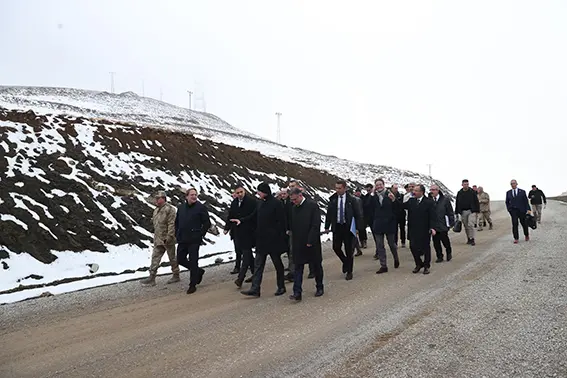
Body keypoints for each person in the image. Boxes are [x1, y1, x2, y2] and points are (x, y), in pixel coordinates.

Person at [241, 183, 287, 297]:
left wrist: (281, 237)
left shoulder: (276, 203)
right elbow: (253, 216)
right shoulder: (260, 203)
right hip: (261, 240)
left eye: (259, 191)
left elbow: (283, 222)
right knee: (258, 265)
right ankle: (255, 289)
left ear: (265, 191)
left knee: (277, 264)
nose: (258, 193)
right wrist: (241, 220)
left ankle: (281, 286)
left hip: (273, 241)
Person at [288, 188, 324, 300]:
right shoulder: (294, 208)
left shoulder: (312, 205)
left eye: (294, 199)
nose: (293, 202)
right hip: (298, 242)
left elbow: (315, 224)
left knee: (316, 265)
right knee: (298, 266)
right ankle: (297, 292)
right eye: (292, 200)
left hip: (311, 242)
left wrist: (310, 240)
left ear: (300, 195)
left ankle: (319, 287)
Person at [324, 179, 363, 280]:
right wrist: (327, 226)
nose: (337, 190)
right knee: (336, 247)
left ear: (345, 188)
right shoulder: (333, 199)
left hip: (348, 227)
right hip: (337, 226)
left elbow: (358, 214)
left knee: (349, 249)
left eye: (339, 188)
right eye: (336, 188)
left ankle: (349, 271)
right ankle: (345, 261)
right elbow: (329, 213)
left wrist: (358, 228)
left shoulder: (352, 200)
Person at [175, 188, 211, 294]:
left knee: (194, 260)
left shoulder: (201, 207)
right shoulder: (181, 208)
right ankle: (199, 272)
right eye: (192, 195)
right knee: (180, 259)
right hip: (182, 238)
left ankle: (192, 284)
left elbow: (207, 223)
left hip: (194, 239)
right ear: (186, 196)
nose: (194, 196)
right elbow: (177, 222)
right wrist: (177, 233)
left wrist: (200, 234)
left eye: (195, 195)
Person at [141, 191, 180, 286]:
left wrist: (170, 236)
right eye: (156, 198)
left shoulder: (170, 209)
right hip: (158, 238)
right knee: (155, 257)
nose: (156, 200)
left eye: (158, 198)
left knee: (172, 258)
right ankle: (152, 277)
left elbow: (172, 224)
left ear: (163, 198)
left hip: (167, 238)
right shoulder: (156, 210)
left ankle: (176, 274)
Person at [224, 185, 257, 288]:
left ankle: (240, 278)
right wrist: (227, 227)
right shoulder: (234, 203)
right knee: (247, 254)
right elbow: (231, 216)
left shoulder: (252, 202)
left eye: (241, 192)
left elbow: (254, 216)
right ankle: (255, 274)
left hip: (249, 231)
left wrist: (243, 221)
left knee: (246, 254)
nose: (239, 194)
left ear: (244, 191)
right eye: (237, 193)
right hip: (238, 232)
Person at [403, 184, 436, 274]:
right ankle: (418, 263)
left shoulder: (429, 202)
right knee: (412, 247)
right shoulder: (411, 201)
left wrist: (432, 227)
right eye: (414, 190)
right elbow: (401, 206)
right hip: (413, 228)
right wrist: (393, 200)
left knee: (425, 248)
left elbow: (433, 216)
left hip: (425, 229)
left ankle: (426, 266)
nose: (414, 192)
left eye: (416, 190)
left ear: (422, 192)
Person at [371, 179, 400, 273]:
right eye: (377, 185)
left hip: (389, 223)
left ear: (384, 185)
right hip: (378, 224)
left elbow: (397, 208)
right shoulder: (373, 197)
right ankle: (383, 266)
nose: (379, 186)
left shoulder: (390, 194)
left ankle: (396, 258)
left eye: (380, 184)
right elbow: (367, 206)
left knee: (391, 244)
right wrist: (371, 194)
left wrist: (394, 200)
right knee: (380, 245)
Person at [430, 185, 455, 262]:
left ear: (438, 190)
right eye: (431, 190)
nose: (432, 191)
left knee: (445, 240)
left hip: (443, 223)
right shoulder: (429, 200)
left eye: (434, 190)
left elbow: (450, 212)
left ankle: (448, 252)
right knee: (436, 242)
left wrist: (451, 222)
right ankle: (439, 256)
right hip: (433, 225)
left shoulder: (445, 200)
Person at [455, 179, 480, 246]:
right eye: (464, 184)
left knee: (470, 224)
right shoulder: (459, 193)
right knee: (466, 226)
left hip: (471, 211)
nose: (466, 186)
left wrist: (477, 210)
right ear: (462, 185)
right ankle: (468, 238)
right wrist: (457, 212)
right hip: (463, 211)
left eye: (467, 184)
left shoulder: (472, 192)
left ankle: (472, 239)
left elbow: (476, 201)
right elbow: (457, 202)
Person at [505, 179, 531, 244]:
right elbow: (507, 202)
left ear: (516, 184)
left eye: (514, 183)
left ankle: (526, 235)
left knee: (524, 223)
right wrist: (509, 209)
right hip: (513, 211)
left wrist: (528, 209)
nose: (513, 185)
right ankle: (516, 238)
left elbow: (525, 201)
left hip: (522, 210)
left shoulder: (522, 191)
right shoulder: (508, 192)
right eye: (511, 184)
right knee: (514, 223)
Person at [280, 189, 295, 281]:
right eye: (281, 194)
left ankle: (293, 272)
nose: (283, 195)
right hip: (285, 230)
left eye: (284, 194)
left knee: (292, 251)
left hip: (293, 230)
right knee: (289, 250)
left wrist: (289, 228)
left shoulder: (291, 203)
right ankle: (291, 269)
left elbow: (291, 217)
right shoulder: (281, 203)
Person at [361, 183, 375, 248]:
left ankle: (379, 251)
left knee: (377, 236)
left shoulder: (375, 196)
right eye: (367, 190)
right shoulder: (365, 197)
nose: (368, 191)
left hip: (375, 218)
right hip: (369, 219)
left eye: (369, 190)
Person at [352, 189, 364, 256]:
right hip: (354, 219)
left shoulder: (356, 200)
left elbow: (359, 211)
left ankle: (354, 250)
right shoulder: (356, 200)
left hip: (354, 219)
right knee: (353, 236)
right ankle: (358, 249)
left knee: (353, 236)